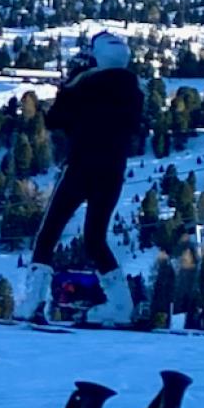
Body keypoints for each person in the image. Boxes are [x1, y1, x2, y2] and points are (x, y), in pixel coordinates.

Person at [27, 34, 144, 323]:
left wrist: (67, 87)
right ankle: (121, 307)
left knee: (49, 234)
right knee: (95, 239)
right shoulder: (133, 92)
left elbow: (55, 120)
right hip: (113, 170)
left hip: (81, 166)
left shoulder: (84, 86)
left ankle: (31, 304)